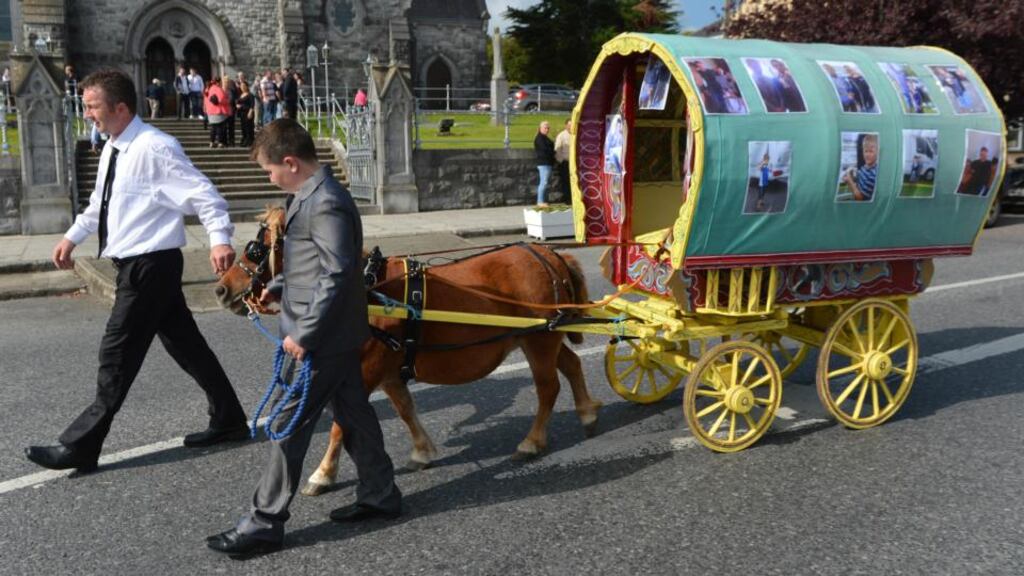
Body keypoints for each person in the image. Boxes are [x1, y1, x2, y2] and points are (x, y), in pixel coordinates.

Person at [25, 69, 248, 474]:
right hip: (137, 264)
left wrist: (219, 239)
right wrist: (72, 237)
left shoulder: (154, 148)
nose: (87, 113)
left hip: (151, 266)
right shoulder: (114, 147)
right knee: (186, 346)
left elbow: (205, 194)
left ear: (120, 107)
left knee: (117, 352)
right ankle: (229, 417)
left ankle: (81, 445)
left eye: (93, 106)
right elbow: (100, 204)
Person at [207, 119, 402, 557]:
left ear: (290, 162)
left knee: (286, 428)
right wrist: (280, 288)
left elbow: (338, 273)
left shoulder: (326, 202)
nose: (269, 177)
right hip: (333, 336)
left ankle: (263, 523)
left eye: (270, 170)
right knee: (355, 419)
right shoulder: (308, 196)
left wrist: (306, 333)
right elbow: (314, 266)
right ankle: (380, 494)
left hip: (322, 340)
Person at [843, 134, 878, 201]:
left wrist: (850, 181)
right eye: (865, 151)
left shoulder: (873, 174)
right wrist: (851, 177)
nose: (867, 154)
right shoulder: (864, 167)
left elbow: (860, 198)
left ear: (877, 153)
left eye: (871, 151)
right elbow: (859, 179)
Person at [534, 121, 555, 206]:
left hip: (547, 163)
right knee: (543, 182)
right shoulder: (539, 138)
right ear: (540, 128)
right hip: (543, 163)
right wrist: (553, 151)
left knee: (545, 183)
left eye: (548, 128)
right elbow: (545, 150)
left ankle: (543, 200)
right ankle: (540, 201)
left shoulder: (545, 138)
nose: (547, 129)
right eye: (545, 128)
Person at [205, 77, 230, 148]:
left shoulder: (209, 89)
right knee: (220, 128)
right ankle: (220, 142)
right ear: (218, 82)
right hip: (218, 111)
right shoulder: (219, 89)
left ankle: (211, 142)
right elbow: (221, 99)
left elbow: (206, 99)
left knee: (213, 128)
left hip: (210, 111)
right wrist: (227, 101)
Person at [554, 119, 573, 201]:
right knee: (565, 181)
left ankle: (573, 199)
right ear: (566, 125)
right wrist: (561, 161)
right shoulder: (561, 136)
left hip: (574, 163)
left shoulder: (575, 135)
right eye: (569, 125)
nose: (570, 127)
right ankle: (567, 199)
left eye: (571, 125)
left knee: (573, 181)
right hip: (565, 162)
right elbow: (557, 149)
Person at [236, 81, 256, 147]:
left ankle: (250, 141)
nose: (242, 87)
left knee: (249, 127)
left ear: (247, 86)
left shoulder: (250, 95)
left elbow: (252, 105)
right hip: (242, 114)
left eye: (244, 86)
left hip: (248, 112)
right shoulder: (240, 95)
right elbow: (238, 102)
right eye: (241, 86)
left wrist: (250, 112)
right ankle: (244, 140)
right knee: (243, 127)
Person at [224, 76, 238, 147]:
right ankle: (231, 141)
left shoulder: (229, 90)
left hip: (228, 110)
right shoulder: (233, 89)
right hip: (231, 110)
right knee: (231, 127)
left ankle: (229, 142)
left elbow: (231, 99)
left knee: (228, 127)